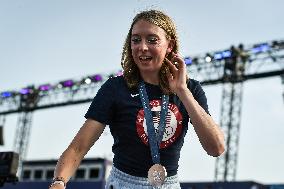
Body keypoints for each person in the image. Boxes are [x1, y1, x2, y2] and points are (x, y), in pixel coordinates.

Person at [48, 9, 225, 189]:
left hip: (168, 185)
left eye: (152, 39)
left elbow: (216, 148)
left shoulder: (191, 89)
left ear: (169, 45)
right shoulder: (115, 88)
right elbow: (78, 148)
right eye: (136, 40)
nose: (142, 47)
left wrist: (182, 92)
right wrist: (59, 182)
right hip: (123, 184)